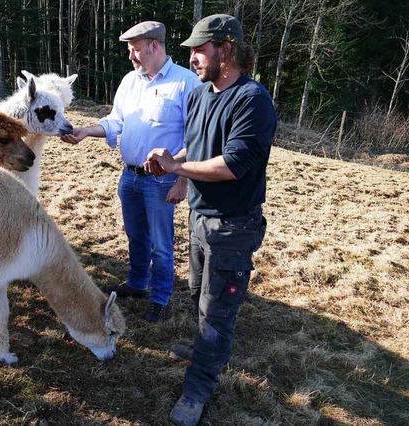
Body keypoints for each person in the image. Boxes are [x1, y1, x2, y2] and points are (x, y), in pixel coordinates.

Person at [144, 14, 277, 425]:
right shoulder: (201, 93)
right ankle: (204, 349)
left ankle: (198, 388)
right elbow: (196, 146)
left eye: (201, 49)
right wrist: (173, 161)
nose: (194, 58)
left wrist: (177, 170)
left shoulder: (252, 99)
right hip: (200, 217)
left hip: (233, 227)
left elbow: (232, 165)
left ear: (227, 48)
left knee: (218, 313)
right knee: (199, 295)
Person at [61, 21, 201, 322]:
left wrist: (182, 179)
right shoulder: (130, 81)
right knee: (136, 236)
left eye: (135, 50)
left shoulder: (186, 83)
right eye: (129, 50)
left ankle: (161, 296)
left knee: (162, 245)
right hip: (129, 177)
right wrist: (87, 130)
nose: (131, 56)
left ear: (154, 46)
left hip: (162, 180)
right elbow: (115, 122)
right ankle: (138, 283)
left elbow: (197, 138)